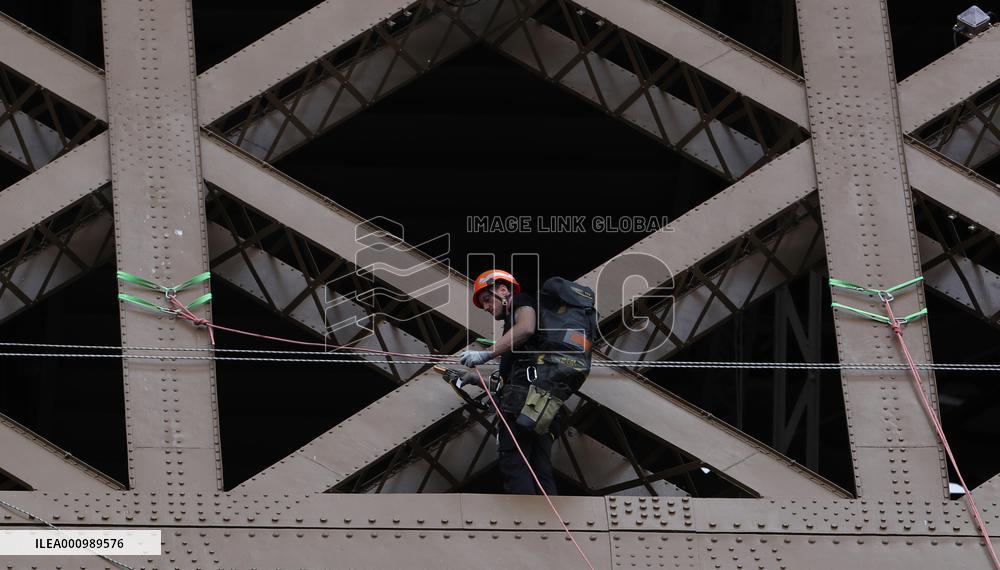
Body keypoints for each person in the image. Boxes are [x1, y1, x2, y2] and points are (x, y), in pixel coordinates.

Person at [458, 269, 558, 495]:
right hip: (539, 401)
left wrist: (486, 354)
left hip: (523, 401)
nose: (486, 307)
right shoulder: (520, 339)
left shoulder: (521, 303)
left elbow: (526, 327)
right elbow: (510, 381)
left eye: (487, 299)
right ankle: (550, 525)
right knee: (539, 468)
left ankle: (531, 525)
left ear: (503, 290)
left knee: (513, 460)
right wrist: (477, 379)